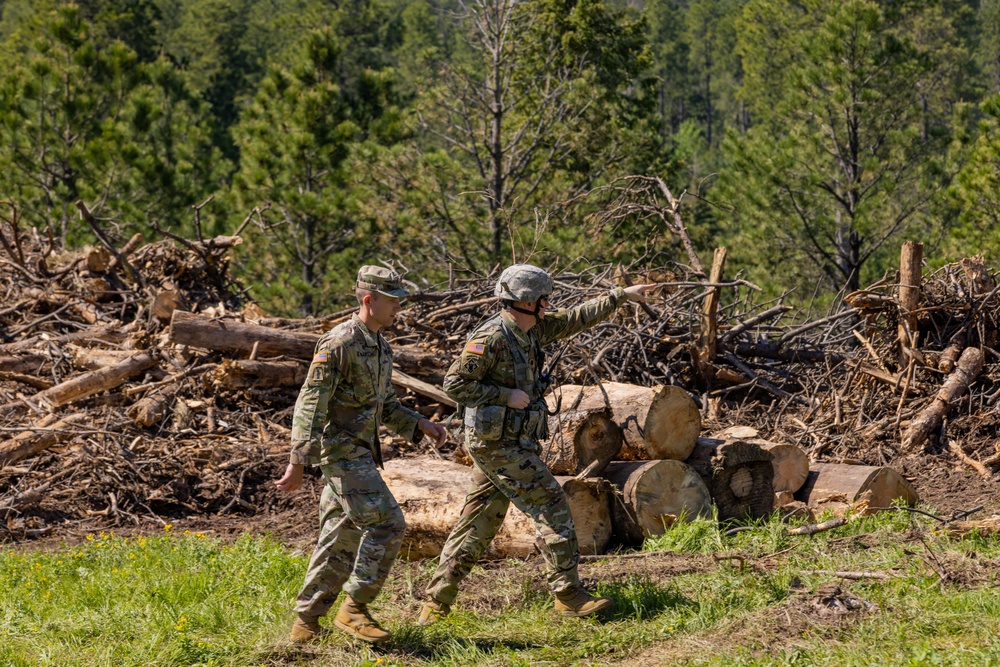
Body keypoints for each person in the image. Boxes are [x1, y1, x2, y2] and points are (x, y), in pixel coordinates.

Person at [418, 264, 654, 625]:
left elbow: (576, 317)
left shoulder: (533, 329)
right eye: (543, 298)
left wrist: (619, 296)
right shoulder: (492, 338)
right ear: (526, 301)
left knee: (478, 523)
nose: (548, 304)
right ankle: (568, 594)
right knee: (552, 503)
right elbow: (455, 385)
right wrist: (504, 395)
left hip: (509, 441)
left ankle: (435, 604)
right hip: (497, 444)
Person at [275, 265, 448, 644]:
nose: (398, 308)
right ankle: (353, 609)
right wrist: (298, 461)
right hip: (340, 455)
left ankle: (305, 624)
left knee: (339, 538)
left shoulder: (380, 346)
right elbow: (310, 404)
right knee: (388, 524)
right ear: (369, 300)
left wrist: (420, 424)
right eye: (392, 300)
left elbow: (386, 405)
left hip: (361, 456)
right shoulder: (338, 343)